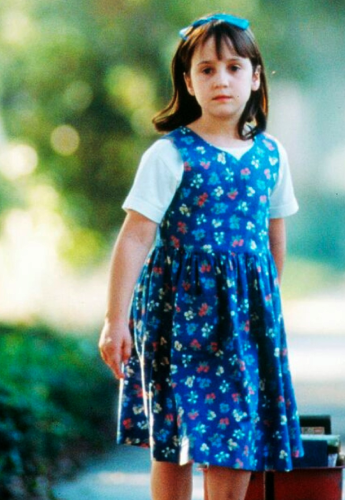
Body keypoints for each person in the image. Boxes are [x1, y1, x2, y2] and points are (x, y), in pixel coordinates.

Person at [97, 13, 303, 500]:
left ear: (255, 77)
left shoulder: (272, 155)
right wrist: (115, 320)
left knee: (235, 436)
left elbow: (275, 238)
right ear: (187, 82)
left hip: (244, 322)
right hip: (177, 318)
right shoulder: (169, 156)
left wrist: (265, 305)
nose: (221, 80)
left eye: (234, 67)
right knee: (173, 438)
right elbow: (134, 238)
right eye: (206, 69)